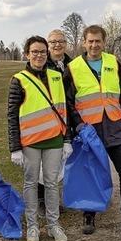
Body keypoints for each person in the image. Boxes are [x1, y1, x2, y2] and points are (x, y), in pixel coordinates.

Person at [63, 25, 121, 235]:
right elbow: (67, 102)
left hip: (115, 127)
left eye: (98, 41)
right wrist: (78, 125)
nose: (94, 45)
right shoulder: (73, 68)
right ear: (84, 42)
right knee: (91, 174)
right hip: (89, 131)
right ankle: (89, 216)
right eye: (90, 41)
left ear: (104, 42)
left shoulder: (113, 63)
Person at [7, 36, 72, 241]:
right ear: (27, 54)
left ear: (48, 53)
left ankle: (54, 225)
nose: (39, 55)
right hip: (30, 142)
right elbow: (11, 115)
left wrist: (67, 139)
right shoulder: (19, 79)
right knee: (31, 183)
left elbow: (64, 109)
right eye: (34, 51)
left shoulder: (56, 76)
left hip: (54, 140)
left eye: (43, 51)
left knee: (52, 184)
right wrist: (15, 147)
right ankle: (33, 226)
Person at [36, 29, 73, 212]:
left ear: (66, 44)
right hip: (48, 119)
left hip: (69, 115)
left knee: (62, 161)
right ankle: (42, 201)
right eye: (53, 42)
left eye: (60, 41)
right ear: (48, 45)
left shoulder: (73, 65)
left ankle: (62, 197)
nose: (57, 45)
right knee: (45, 163)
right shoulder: (42, 65)